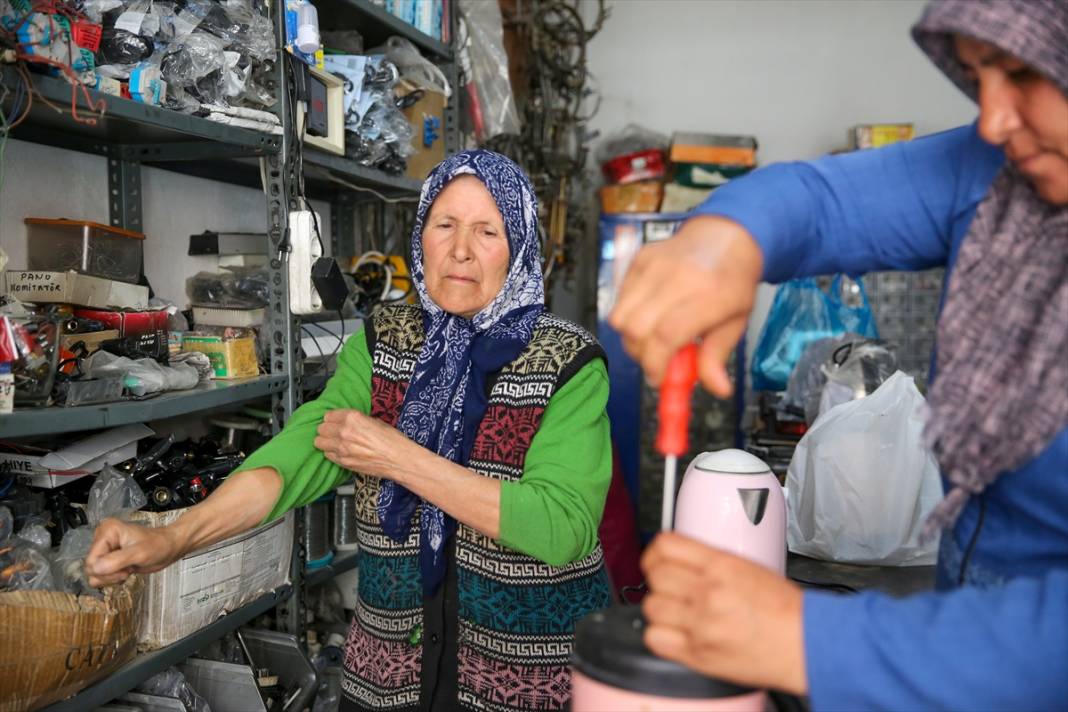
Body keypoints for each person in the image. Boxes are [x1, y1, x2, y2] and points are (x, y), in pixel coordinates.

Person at [609, 1, 1067, 709]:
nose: (994, 121)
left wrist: (805, 639)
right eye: (979, 78)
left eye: (1023, 74)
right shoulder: (997, 174)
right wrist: (724, 239)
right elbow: (822, 201)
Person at [86, 150, 614, 711]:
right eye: (445, 225)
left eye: (488, 231)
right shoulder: (383, 343)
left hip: (527, 683)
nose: (460, 250)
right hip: (389, 674)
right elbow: (296, 458)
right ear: (422, 236)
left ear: (520, 247)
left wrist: (399, 457)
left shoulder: (567, 362)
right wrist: (175, 537)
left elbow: (561, 527)